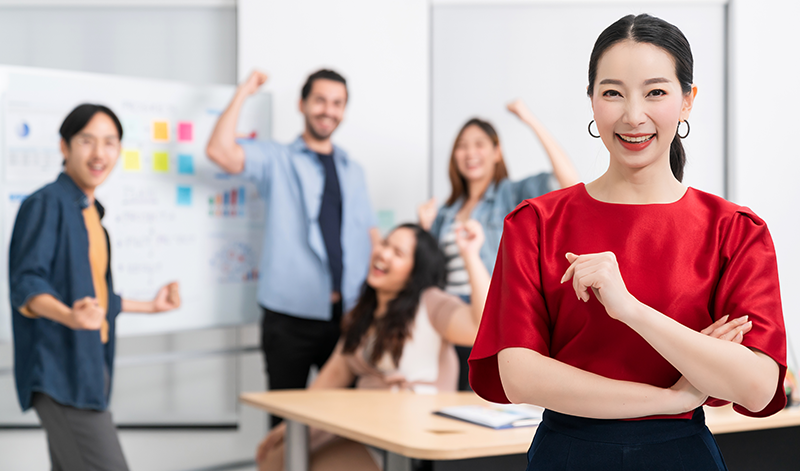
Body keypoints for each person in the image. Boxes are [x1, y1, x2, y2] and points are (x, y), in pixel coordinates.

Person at [468, 14, 786, 471]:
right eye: (613, 92)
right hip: (567, 455)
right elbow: (519, 375)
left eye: (655, 92)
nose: (633, 115)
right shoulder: (536, 223)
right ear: (592, 100)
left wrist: (631, 309)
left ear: (687, 101)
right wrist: (671, 395)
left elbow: (756, 386)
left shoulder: (734, 230)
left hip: (682, 457)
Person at [9, 104, 182, 471]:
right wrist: (69, 316)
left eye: (110, 142)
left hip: (89, 366)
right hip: (62, 371)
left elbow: (94, 297)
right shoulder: (46, 204)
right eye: (87, 141)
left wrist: (151, 306)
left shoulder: (90, 212)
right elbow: (27, 283)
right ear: (64, 147)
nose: (99, 153)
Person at [206, 69, 378, 426]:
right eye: (320, 100)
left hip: (346, 318)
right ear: (302, 104)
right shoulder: (277, 158)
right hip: (289, 319)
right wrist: (244, 92)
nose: (327, 110)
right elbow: (219, 151)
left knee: (343, 424)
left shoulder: (353, 170)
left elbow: (370, 236)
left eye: (337, 103)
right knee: (285, 426)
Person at [256, 221, 490, 471]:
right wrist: (292, 424)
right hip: (362, 427)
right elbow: (333, 374)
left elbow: (482, 327)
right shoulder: (361, 314)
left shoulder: (431, 304)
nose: (383, 253)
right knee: (277, 456)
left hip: (408, 432)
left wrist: (470, 255)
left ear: (416, 271)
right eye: (385, 243)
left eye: (398, 253)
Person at [418, 101, 580, 390]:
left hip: (489, 313)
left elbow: (569, 183)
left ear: (497, 152)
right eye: (462, 146)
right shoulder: (445, 211)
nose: (470, 153)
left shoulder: (512, 194)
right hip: (449, 318)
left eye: (479, 144)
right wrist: (424, 230)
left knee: (482, 398)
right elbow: (429, 272)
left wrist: (530, 119)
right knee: (448, 398)